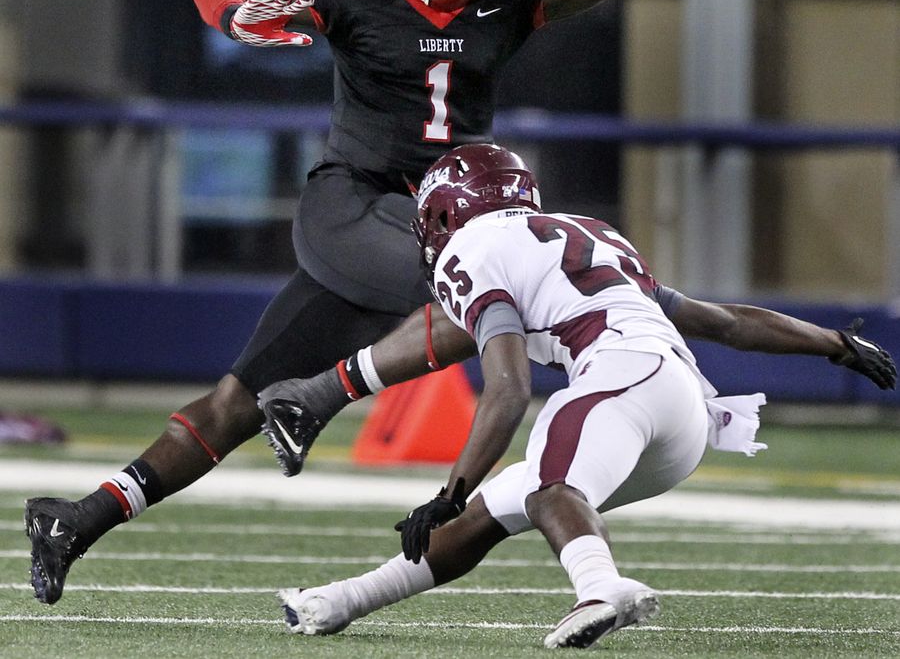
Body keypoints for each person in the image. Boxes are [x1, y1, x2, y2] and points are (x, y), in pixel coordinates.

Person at [24, 0, 664, 605]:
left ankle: (76, 520)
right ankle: (313, 401)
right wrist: (240, 15)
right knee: (492, 296)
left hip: (442, 219)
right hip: (354, 205)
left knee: (233, 404)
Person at [265, 143, 896, 649]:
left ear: (445, 215)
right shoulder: (586, 231)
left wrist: (447, 490)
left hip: (618, 380)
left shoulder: (471, 249)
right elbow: (722, 322)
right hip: (680, 411)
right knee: (495, 510)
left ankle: (600, 590)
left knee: (544, 490)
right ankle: (340, 601)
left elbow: (508, 391)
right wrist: (835, 344)